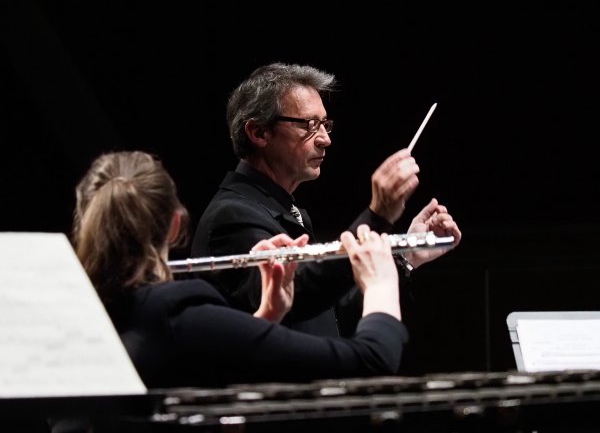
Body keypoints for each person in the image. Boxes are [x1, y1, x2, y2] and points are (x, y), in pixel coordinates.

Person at [67, 150, 408, 392]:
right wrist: (380, 285)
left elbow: (203, 369)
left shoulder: (78, 323)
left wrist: (265, 319)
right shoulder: (178, 315)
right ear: (174, 226)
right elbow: (372, 360)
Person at [191, 62, 462, 337]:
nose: (325, 140)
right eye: (309, 124)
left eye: (324, 124)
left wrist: (407, 256)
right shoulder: (232, 216)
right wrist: (377, 216)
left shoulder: (285, 210)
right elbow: (293, 299)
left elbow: (330, 315)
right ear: (259, 133)